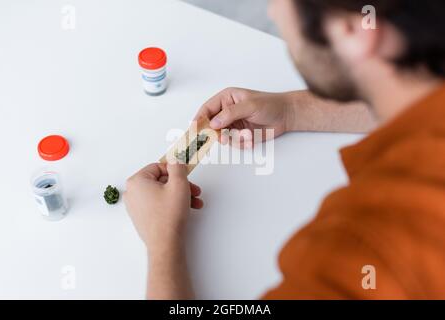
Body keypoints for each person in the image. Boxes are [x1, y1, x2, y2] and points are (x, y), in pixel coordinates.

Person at [124, 0, 445, 299]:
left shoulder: (364, 251)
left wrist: (163, 239)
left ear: (352, 29)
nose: (273, 13)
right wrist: (293, 110)